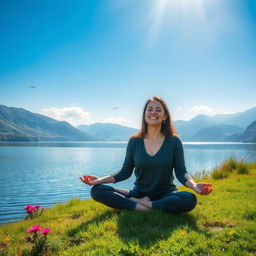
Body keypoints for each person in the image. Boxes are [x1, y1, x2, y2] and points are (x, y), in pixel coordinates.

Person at [79, 96, 213, 213]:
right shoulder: (134, 141)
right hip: (138, 193)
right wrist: (98, 180)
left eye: (158, 110)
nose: (153, 112)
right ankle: (144, 207)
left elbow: (181, 172)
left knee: (189, 199)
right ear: (144, 115)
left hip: (166, 194)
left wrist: (194, 185)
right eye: (149, 109)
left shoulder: (174, 141)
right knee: (97, 190)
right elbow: (124, 172)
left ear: (165, 116)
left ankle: (143, 205)